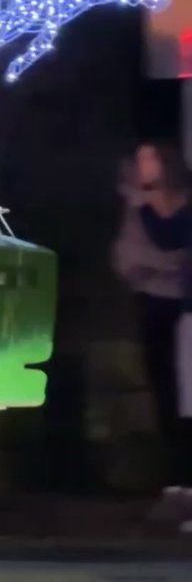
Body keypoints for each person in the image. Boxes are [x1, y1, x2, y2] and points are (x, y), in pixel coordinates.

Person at [123, 142, 192, 520]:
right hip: (156, 305)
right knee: (166, 391)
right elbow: (130, 258)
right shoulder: (139, 207)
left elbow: (176, 246)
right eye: (140, 159)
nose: (144, 166)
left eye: (149, 158)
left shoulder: (182, 203)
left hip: (184, 305)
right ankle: (177, 482)